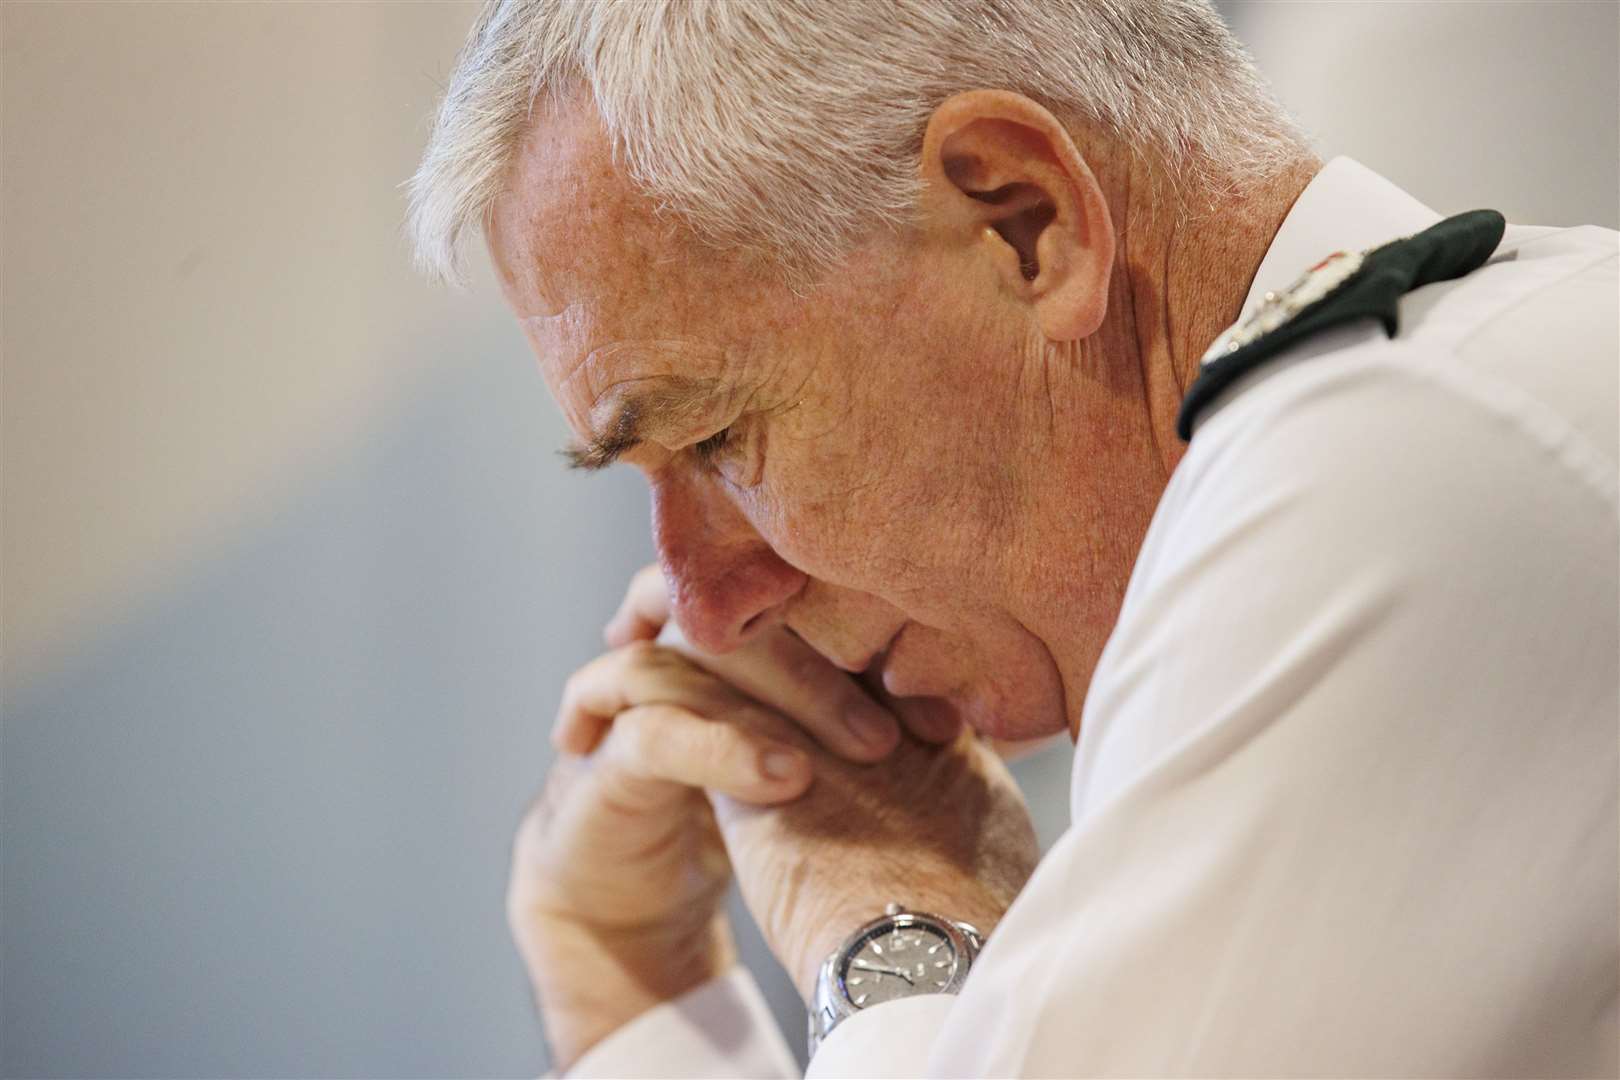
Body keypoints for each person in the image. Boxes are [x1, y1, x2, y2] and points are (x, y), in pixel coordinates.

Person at [406, 1, 1619, 1075]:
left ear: (1024, 222)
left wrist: (889, 926)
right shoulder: (1457, 389)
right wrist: (633, 991)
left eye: (721, 439)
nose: (704, 603)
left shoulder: (1379, 471)